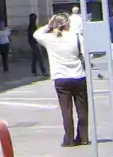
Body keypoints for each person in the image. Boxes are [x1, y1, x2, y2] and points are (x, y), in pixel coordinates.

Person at [33, 12, 89, 148]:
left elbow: (36, 34)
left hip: (60, 78)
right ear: (67, 24)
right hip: (78, 76)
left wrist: (49, 25)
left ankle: (69, 139)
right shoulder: (76, 36)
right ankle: (83, 137)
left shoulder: (50, 38)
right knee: (82, 109)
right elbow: (85, 53)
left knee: (66, 110)